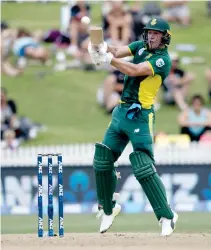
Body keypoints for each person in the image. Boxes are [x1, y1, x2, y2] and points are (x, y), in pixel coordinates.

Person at [88, 17, 178, 236]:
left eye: (156, 33)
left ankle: (167, 216)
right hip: (121, 112)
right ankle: (108, 207)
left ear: (165, 38)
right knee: (102, 158)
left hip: (141, 115)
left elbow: (135, 70)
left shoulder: (162, 60)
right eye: (149, 32)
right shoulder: (140, 46)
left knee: (142, 166)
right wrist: (101, 47)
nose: (151, 36)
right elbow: (118, 50)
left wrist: (108, 59)